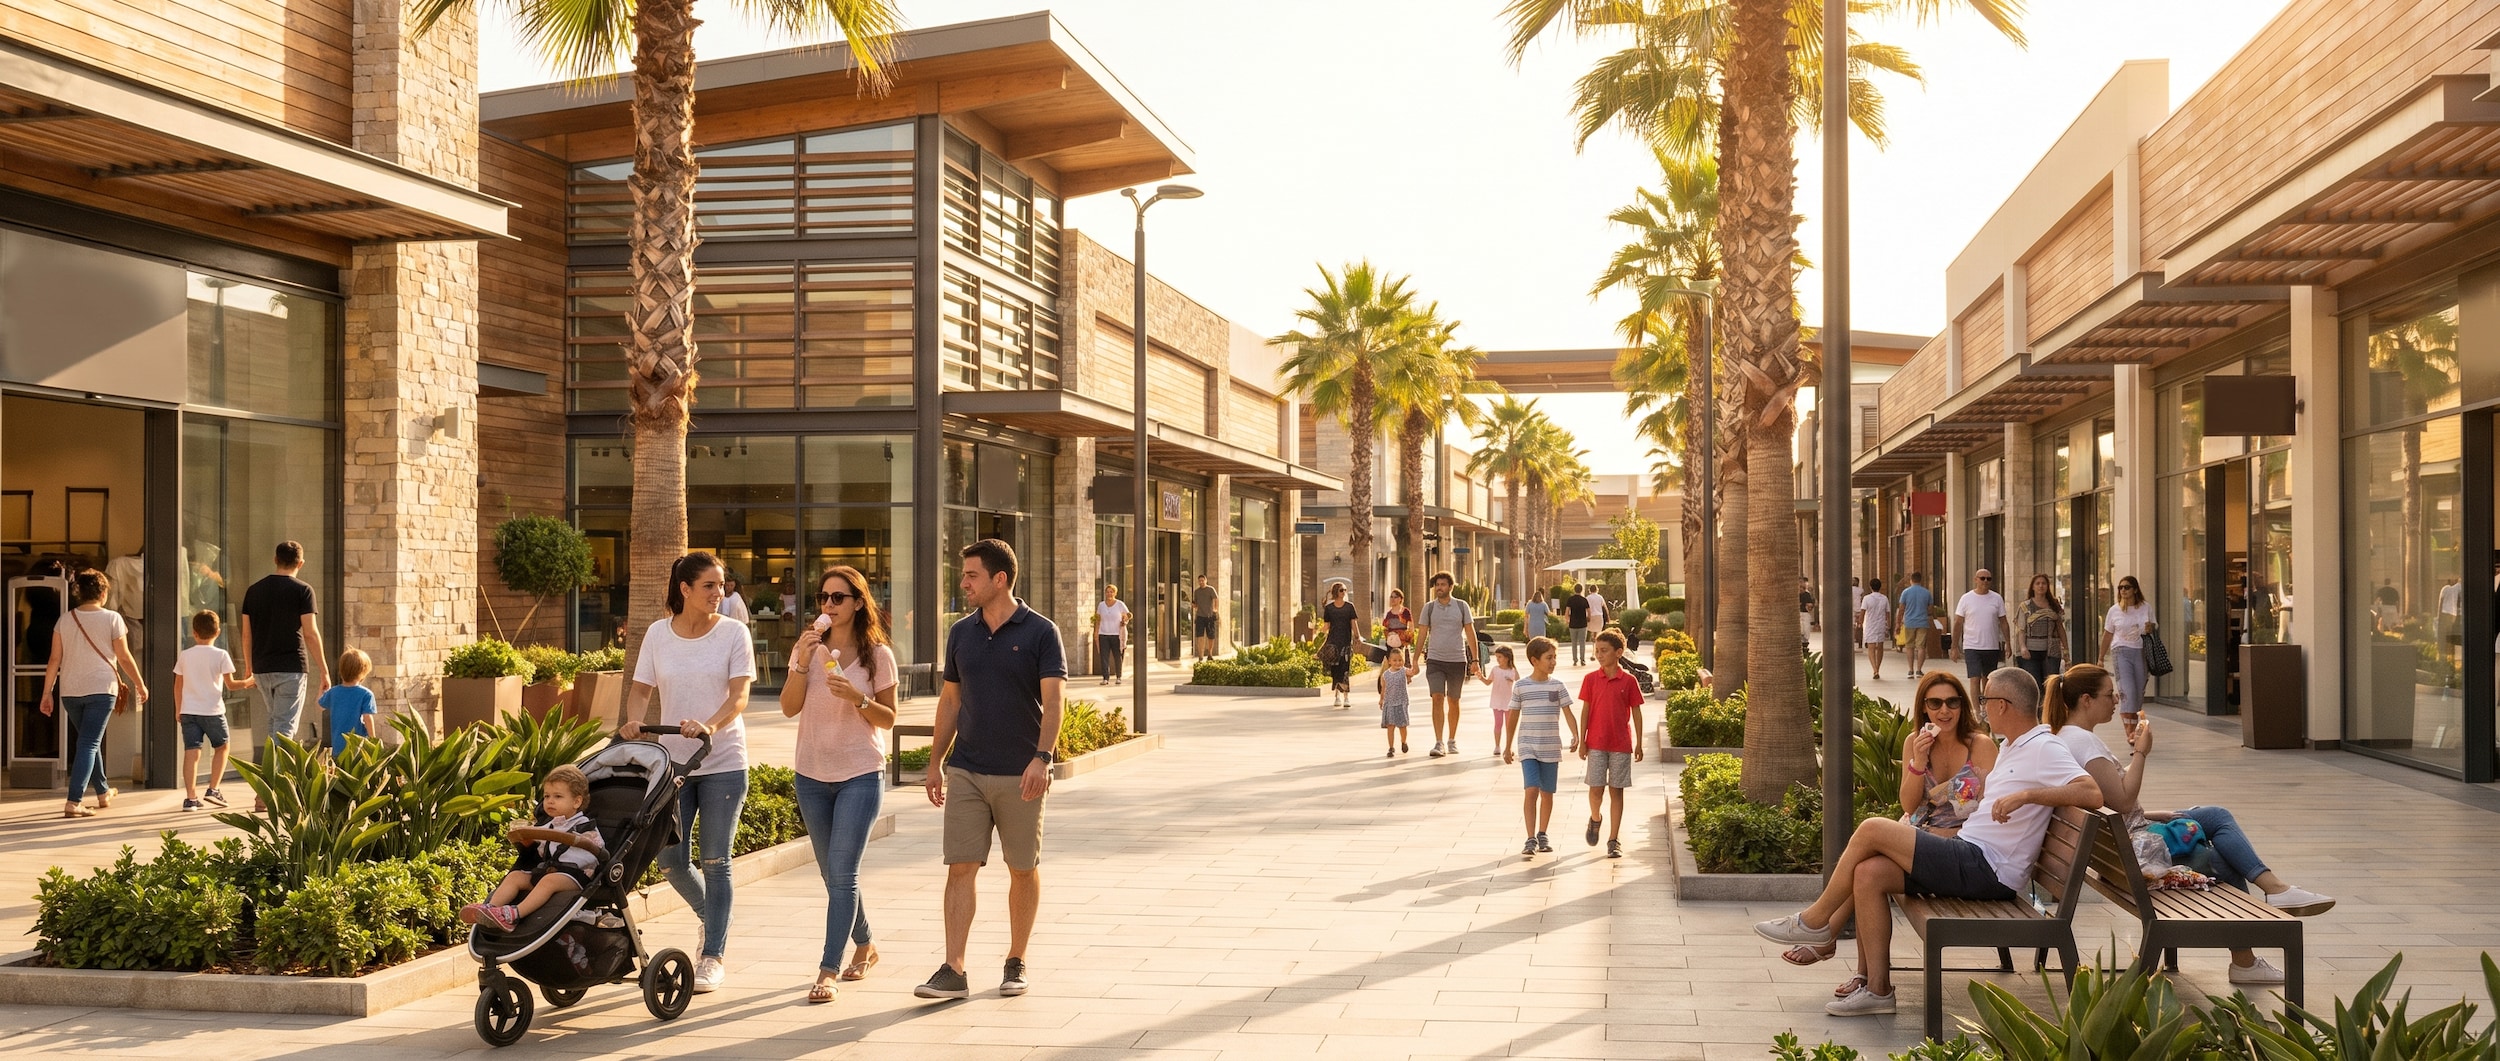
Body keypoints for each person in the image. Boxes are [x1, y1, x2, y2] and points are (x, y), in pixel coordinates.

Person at [1755, 667, 2101, 1015]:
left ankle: (1815, 923)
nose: (1980, 707)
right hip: (1970, 854)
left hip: (1987, 868)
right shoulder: (2014, 746)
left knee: (1873, 828)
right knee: (1869, 873)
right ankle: (1877, 991)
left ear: (2002, 705)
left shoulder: (2042, 746)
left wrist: (2027, 795)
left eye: (1983, 700)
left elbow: (2091, 792)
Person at [2042, 663, 2335, 986]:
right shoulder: (2084, 744)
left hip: (2118, 848)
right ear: (2086, 700)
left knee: (2210, 816)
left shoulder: (2067, 738)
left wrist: (2155, 814)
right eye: (2110, 695)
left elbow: (2110, 805)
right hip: (2135, 855)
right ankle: (2256, 935)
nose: (2116, 701)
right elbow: (2123, 801)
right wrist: (2141, 752)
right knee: (2222, 856)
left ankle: (2269, 907)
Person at [919, 539, 1064, 1002]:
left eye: (971, 575)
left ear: (999, 579)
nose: (963, 583)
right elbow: (950, 700)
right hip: (967, 769)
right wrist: (936, 762)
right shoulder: (961, 632)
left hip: (1021, 773)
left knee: (1021, 868)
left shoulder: (1041, 632)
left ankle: (1016, 959)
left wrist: (1042, 758)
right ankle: (953, 968)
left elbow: (1055, 701)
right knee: (959, 867)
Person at [1780, 670, 1997, 968]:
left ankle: (1824, 931)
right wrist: (1918, 763)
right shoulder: (1915, 742)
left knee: (1869, 844)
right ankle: (1862, 974)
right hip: (1919, 833)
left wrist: (1945, 823)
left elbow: (1986, 808)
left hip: (1959, 844)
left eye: (1952, 702)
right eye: (1935, 703)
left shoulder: (1980, 745)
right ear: (1924, 707)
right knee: (1866, 870)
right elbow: (1908, 804)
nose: (1944, 711)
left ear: (1962, 706)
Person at [624, 551, 756, 994]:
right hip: (673, 767)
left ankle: (713, 953)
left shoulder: (734, 633)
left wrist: (710, 726)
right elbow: (641, 688)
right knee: (671, 862)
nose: (720, 593)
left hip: (723, 764)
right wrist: (632, 721)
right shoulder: (659, 634)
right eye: (710, 586)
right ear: (685, 589)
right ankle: (714, 916)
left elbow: (739, 697)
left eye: (721, 585)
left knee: (716, 861)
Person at [782, 564, 898, 1004]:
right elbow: (789, 708)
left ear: (857, 603)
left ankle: (828, 968)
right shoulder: (809, 650)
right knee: (834, 874)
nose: (828, 605)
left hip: (860, 773)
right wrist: (800, 660)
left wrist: (859, 698)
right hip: (810, 773)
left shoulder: (877, 656)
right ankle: (866, 945)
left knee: (843, 872)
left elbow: (889, 719)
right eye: (823, 598)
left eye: (838, 598)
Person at [38, 570, 148, 818]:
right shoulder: (112, 619)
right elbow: (123, 656)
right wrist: (140, 684)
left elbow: (54, 659)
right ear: (103, 592)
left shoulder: (65, 620)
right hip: (101, 689)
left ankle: (102, 792)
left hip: (70, 691)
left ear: (80, 593)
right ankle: (74, 801)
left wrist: (47, 693)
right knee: (89, 742)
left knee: (89, 740)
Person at [459, 764, 600, 932]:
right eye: (547, 796)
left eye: (558, 796)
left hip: (576, 876)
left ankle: (514, 914)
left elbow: (594, 851)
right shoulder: (549, 825)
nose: (550, 801)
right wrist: (526, 839)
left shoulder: (584, 826)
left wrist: (558, 838)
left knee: (549, 881)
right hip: (549, 871)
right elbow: (540, 850)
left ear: (577, 801)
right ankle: (489, 909)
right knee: (516, 876)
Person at [239, 541, 330, 775]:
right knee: (284, 730)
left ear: (275, 559)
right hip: (291, 668)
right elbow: (310, 633)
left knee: (275, 724)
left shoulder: (254, 590)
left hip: (262, 668)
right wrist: (324, 670)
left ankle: (267, 785)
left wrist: (249, 666)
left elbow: (246, 634)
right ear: (300, 563)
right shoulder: (303, 590)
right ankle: (270, 788)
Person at [1502, 637, 1579, 858]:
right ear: (1534, 660)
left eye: (1554, 657)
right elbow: (1513, 717)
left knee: (1547, 793)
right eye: (1549, 658)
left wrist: (1575, 734)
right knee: (1531, 789)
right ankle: (1530, 837)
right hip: (1528, 747)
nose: (1553, 661)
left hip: (1551, 747)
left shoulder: (1558, 686)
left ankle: (1543, 833)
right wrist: (1507, 746)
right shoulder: (1521, 686)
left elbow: (1567, 712)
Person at [173, 610, 255, 812]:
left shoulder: (185, 655)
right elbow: (231, 685)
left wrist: (179, 709)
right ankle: (213, 789)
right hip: (212, 711)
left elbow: (177, 684)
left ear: (194, 632)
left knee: (191, 753)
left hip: (189, 711)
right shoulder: (221, 655)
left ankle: (191, 798)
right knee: (223, 747)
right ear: (218, 632)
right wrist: (248, 682)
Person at [1576, 630, 1645, 859]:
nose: (1599, 655)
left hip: (1621, 745)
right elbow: (1585, 711)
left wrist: (1639, 743)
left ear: (1619, 652)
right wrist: (1582, 741)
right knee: (1596, 791)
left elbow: (1636, 713)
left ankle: (1613, 840)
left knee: (1617, 791)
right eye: (1596, 651)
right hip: (1595, 743)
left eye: (1604, 651)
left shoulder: (1629, 681)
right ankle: (1595, 818)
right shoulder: (1591, 680)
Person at [1417, 571, 1481, 758]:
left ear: (1450, 587)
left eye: (1443, 585)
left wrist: (1475, 660)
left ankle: (1451, 740)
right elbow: (1422, 634)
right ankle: (1439, 742)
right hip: (1435, 660)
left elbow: (1470, 633)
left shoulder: (1462, 606)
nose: (1439, 588)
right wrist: (1414, 659)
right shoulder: (1428, 608)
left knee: (1453, 700)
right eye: (1437, 585)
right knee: (1437, 697)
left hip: (1457, 660)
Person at [2099, 575, 2155, 733]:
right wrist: (2101, 658)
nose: (2123, 590)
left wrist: (2150, 628)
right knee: (2128, 691)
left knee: (2138, 693)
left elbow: (2153, 628)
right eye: (2120, 587)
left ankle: (2134, 727)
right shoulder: (2114, 610)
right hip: (2121, 651)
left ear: (2135, 589)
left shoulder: (2145, 607)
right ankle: (2129, 731)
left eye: (2127, 587)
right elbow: (2108, 634)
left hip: (2141, 651)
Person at [1952, 568, 2013, 680]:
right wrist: (1954, 646)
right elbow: (1958, 622)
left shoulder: (1997, 598)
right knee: (1974, 678)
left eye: (1988, 579)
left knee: (1988, 679)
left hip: (1991, 646)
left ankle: (1986, 698)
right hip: (1972, 646)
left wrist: (2008, 643)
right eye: (1982, 578)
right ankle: (1975, 698)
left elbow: (2004, 622)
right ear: (1976, 580)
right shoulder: (1966, 599)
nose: (1985, 581)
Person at [320, 648, 376, 758]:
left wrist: (322, 688)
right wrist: (373, 740)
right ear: (363, 673)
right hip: (358, 747)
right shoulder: (366, 694)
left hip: (337, 746)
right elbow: (367, 718)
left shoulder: (333, 692)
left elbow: (320, 705)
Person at [2017, 574, 2067, 685]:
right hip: (2031, 652)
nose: (2041, 586)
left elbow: (2060, 628)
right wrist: (2023, 647)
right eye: (2038, 583)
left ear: (2047, 586)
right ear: (2033, 587)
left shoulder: (2054, 605)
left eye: (2043, 583)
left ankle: (2048, 703)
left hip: (2051, 652)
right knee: (2035, 683)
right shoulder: (2025, 606)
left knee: (2051, 684)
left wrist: (2066, 650)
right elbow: (2021, 629)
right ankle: (2038, 703)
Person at [1319, 583, 1358, 708]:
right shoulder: (1329, 608)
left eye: (1345, 590)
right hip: (1333, 643)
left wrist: (1358, 637)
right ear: (1336, 592)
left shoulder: (1350, 607)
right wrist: (1317, 636)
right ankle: (1337, 696)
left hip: (1346, 642)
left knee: (1345, 669)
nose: (1344, 592)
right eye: (1342, 590)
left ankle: (1346, 696)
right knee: (1335, 670)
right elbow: (1326, 627)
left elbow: (1354, 624)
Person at [1377, 645, 1416, 758]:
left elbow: (1413, 672)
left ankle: (1403, 742)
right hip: (1389, 703)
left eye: (1400, 660)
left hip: (1401, 703)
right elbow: (1383, 689)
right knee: (1391, 726)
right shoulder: (1386, 675)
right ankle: (1391, 747)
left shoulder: (1404, 671)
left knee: (1402, 726)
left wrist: (1414, 665)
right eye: (1395, 660)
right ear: (1389, 661)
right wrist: (1381, 700)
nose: (1397, 663)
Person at [1484, 645, 1520, 754]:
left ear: (1507, 657)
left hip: (1509, 702)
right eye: (1497, 657)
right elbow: (1488, 682)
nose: (1498, 660)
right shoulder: (1495, 669)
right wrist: (1480, 677)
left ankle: (1508, 746)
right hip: (1497, 701)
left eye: (1500, 657)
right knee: (1498, 723)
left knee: (1509, 725)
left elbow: (1518, 681)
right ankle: (1497, 746)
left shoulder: (1512, 670)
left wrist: (1511, 678)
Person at [1898, 572, 1935, 676]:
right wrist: (1923, 612)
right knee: (1921, 647)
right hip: (1922, 621)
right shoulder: (1926, 592)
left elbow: (1901, 608)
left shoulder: (1906, 592)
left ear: (1911, 580)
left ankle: (1910, 670)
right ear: (1921, 580)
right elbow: (1931, 609)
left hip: (1909, 622)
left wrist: (1898, 622)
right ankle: (1919, 670)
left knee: (1909, 646)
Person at [1094, 585, 1131, 687]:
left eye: (1111, 592)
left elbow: (1128, 615)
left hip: (1116, 635)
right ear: (1105, 593)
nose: (1109, 594)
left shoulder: (1120, 604)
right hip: (1103, 634)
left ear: (1115, 593)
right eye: (1107, 592)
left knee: (1117, 656)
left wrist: (1124, 621)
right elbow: (1098, 619)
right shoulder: (1101, 605)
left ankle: (1118, 677)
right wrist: (1096, 632)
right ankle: (1105, 678)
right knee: (1104, 657)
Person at [1857, 577, 1891, 681]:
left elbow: (1862, 612)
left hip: (1870, 624)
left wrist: (1860, 622)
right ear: (1880, 587)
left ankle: (1875, 669)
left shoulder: (1867, 598)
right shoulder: (1884, 598)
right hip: (1881, 625)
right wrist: (1889, 624)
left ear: (1870, 587)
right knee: (1880, 647)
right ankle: (1878, 668)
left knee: (1871, 648)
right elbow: (1888, 613)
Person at [1563, 584, 1592, 665]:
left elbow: (1567, 612)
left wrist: (1567, 620)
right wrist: (1589, 618)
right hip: (1582, 624)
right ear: (1582, 590)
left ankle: (1575, 660)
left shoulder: (1570, 599)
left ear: (1574, 590)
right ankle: (1582, 660)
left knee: (1574, 643)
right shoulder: (1584, 600)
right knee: (1582, 642)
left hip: (1573, 624)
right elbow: (1589, 611)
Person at [1192, 575, 1219, 658]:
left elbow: (1216, 599)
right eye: (1199, 581)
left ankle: (1210, 653)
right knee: (1200, 636)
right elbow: (1195, 603)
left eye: (1202, 580)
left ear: (1206, 580)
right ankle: (1201, 655)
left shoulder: (1210, 589)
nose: (1201, 582)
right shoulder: (1196, 592)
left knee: (1211, 635)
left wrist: (1215, 609)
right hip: (1200, 616)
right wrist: (1194, 606)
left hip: (1209, 616)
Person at [1799, 578, 1816, 649]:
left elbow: (1811, 604)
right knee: (1801, 629)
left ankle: (1805, 643)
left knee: (1806, 629)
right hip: (1799, 613)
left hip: (1805, 613)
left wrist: (1809, 606)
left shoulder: (1807, 594)